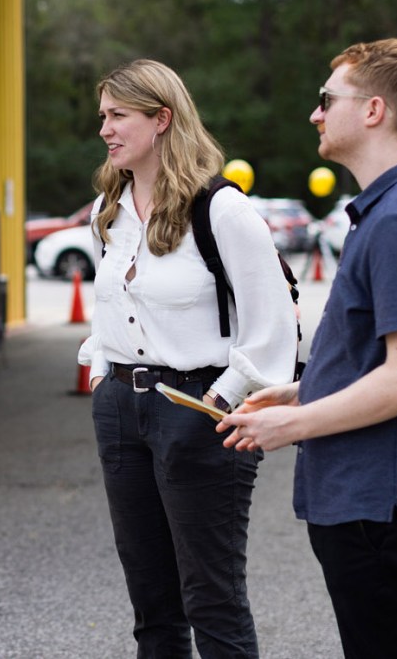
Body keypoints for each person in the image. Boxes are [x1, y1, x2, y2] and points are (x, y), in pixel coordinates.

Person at [219, 38, 397, 659]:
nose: (316, 113)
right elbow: (384, 362)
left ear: (373, 111)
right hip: (381, 504)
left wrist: (296, 423)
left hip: (383, 507)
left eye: (326, 99)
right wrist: (305, 390)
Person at [78, 58, 297, 658]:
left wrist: (219, 398)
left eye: (119, 115)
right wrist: (103, 375)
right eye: (103, 116)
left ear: (162, 119)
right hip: (121, 409)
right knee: (152, 604)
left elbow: (273, 327)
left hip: (200, 409)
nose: (105, 128)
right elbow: (110, 309)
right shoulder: (111, 209)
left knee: (212, 600)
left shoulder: (221, 209)